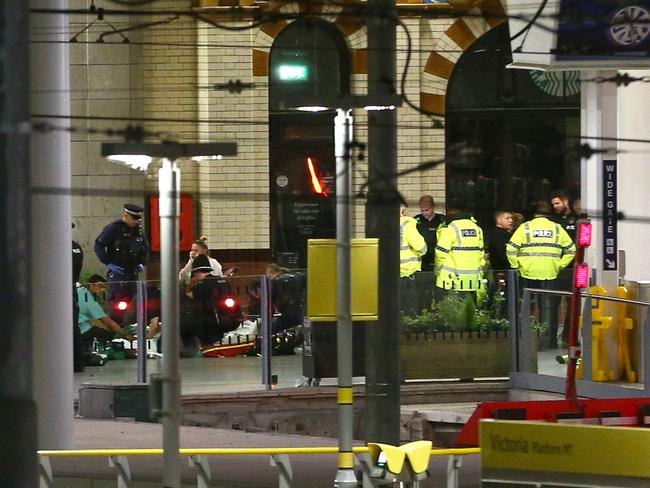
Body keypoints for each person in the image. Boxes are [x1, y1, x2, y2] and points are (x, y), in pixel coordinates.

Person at [506, 201, 576, 349]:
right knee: (548, 310)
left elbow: (511, 249)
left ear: (534, 214)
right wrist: (559, 265)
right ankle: (548, 342)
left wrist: (516, 265)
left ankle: (525, 341)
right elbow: (571, 250)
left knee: (526, 308)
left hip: (527, 273)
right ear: (549, 215)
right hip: (550, 273)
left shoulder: (525, 228)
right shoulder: (557, 229)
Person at [94, 204, 149, 321]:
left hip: (132, 273)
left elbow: (145, 247)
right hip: (118, 273)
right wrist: (107, 262)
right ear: (126, 215)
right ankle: (117, 331)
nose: (136, 222)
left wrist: (142, 262)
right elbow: (99, 244)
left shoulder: (138, 230)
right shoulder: (113, 228)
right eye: (134, 219)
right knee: (117, 305)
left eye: (138, 219)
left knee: (133, 305)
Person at [180, 255, 240, 355]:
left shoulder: (202, 285)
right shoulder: (222, 281)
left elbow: (190, 295)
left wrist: (189, 287)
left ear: (197, 272)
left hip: (210, 325)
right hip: (229, 321)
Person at [434, 202, 485, 301]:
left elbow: (440, 252)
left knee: (451, 312)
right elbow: (481, 254)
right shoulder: (477, 228)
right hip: (472, 280)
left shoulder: (450, 227)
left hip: (451, 280)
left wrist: (437, 270)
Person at [77, 274, 134, 352]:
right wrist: (125, 334)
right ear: (91, 285)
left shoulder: (81, 291)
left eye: (103, 287)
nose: (101, 290)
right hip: (82, 328)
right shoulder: (89, 300)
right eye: (99, 286)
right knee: (106, 334)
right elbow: (108, 322)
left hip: (77, 324)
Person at [400, 202, 428, 315]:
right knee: (410, 311)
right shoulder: (406, 224)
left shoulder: (383, 224)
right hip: (407, 275)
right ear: (403, 212)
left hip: (389, 277)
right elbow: (421, 248)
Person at [266, 263, 305, 335]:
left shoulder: (275, 281)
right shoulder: (293, 277)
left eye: (267, 274)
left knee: (271, 330)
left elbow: (270, 297)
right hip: (299, 311)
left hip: (287, 313)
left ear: (272, 273)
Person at [414, 195, 445, 272]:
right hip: (422, 260)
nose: (424, 213)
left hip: (438, 259)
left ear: (433, 207)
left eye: (427, 210)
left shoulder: (442, 220)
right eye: (422, 210)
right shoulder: (416, 220)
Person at [72, 224, 85, 372]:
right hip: (71, 288)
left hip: (57, 291)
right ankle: (78, 361)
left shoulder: (55, 247)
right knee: (73, 325)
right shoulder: (76, 247)